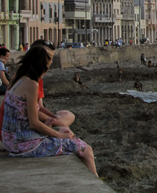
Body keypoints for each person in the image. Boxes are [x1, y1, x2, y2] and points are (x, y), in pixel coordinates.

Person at [1, 46, 98, 176]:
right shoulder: (31, 84)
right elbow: (33, 123)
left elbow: (23, 117)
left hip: (10, 140)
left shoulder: (17, 79)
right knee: (86, 150)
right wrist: (59, 135)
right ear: (42, 67)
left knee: (64, 132)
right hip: (22, 144)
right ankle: (95, 184)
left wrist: (51, 128)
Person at [29, 40, 75, 128]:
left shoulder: (37, 79)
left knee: (67, 114)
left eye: (51, 57)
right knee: (63, 124)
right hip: (23, 126)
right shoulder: (29, 82)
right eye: (48, 57)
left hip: (32, 118)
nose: (51, 62)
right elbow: (32, 114)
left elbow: (40, 107)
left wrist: (53, 118)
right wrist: (55, 122)